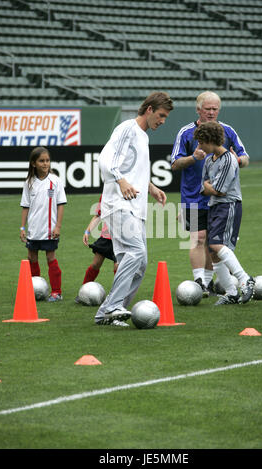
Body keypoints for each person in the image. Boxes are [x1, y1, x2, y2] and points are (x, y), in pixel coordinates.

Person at [94, 91, 174, 326]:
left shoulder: (143, 136)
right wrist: (120, 181)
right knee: (136, 253)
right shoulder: (127, 128)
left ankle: (106, 314)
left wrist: (150, 187)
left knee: (140, 264)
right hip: (118, 204)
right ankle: (112, 306)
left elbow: (132, 169)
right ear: (149, 109)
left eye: (165, 117)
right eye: (160, 115)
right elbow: (106, 160)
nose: (162, 121)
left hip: (136, 208)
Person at [171, 91, 249, 296]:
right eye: (208, 109)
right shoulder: (186, 133)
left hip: (219, 198)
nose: (212, 112)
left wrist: (236, 160)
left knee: (212, 243)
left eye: (215, 109)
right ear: (198, 110)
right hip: (193, 197)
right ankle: (200, 282)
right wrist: (193, 158)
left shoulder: (228, 131)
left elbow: (245, 157)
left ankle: (208, 283)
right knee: (199, 238)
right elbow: (175, 163)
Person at [195, 121, 255, 305]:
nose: (199, 147)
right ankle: (231, 292)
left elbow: (219, 190)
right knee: (213, 252)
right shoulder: (208, 160)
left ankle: (245, 279)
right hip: (214, 206)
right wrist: (208, 188)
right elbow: (203, 187)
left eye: (201, 142)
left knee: (217, 245)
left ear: (209, 140)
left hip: (228, 205)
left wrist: (208, 188)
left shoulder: (229, 159)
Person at [20, 146, 67, 302]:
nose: (45, 163)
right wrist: (22, 227)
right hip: (33, 229)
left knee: (50, 257)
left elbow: (61, 204)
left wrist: (58, 226)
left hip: (49, 230)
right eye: (41, 161)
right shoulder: (29, 183)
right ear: (34, 163)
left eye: (47, 160)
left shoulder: (55, 181)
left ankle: (56, 292)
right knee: (31, 257)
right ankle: (36, 289)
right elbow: (25, 206)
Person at [75, 194, 118, 303]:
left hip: (121, 240)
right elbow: (98, 216)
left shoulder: (126, 193)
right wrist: (87, 231)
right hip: (106, 237)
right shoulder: (105, 195)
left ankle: (117, 297)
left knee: (118, 268)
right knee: (95, 264)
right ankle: (83, 291)